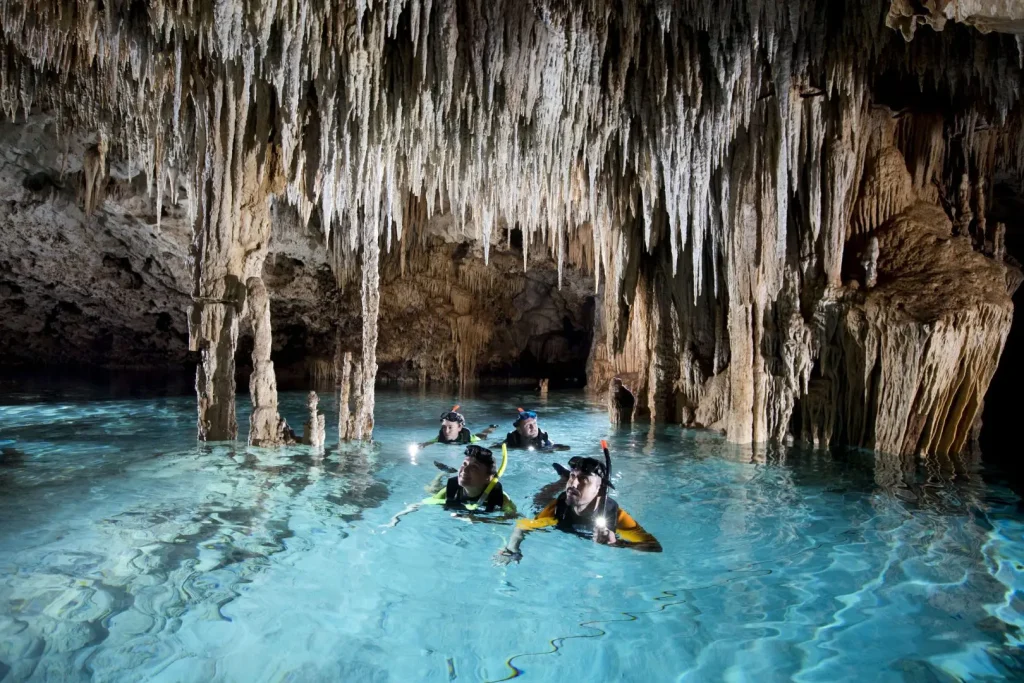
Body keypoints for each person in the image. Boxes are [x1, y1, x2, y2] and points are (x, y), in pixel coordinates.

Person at [495, 455, 660, 563]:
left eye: (583, 479)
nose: (574, 484)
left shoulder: (614, 515)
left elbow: (653, 547)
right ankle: (562, 478)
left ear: (600, 489)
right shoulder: (557, 509)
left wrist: (617, 543)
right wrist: (512, 549)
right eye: (573, 477)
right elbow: (522, 526)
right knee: (541, 498)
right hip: (549, 507)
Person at [387, 446, 516, 526]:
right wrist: (396, 518)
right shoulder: (451, 489)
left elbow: (512, 519)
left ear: (488, 478)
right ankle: (442, 473)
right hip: (455, 498)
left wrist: (480, 520)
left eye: (474, 468)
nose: (465, 470)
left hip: (478, 508)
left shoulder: (500, 498)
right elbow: (420, 504)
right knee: (430, 490)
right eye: (464, 465)